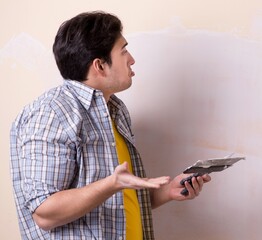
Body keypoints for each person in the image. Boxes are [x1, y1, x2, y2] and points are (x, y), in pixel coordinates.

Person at [10, 11, 211, 240]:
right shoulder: (52, 113)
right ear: (100, 66)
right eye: (124, 50)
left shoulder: (115, 110)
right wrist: (111, 184)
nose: (132, 59)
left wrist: (167, 191)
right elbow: (45, 213)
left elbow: (115, 204)